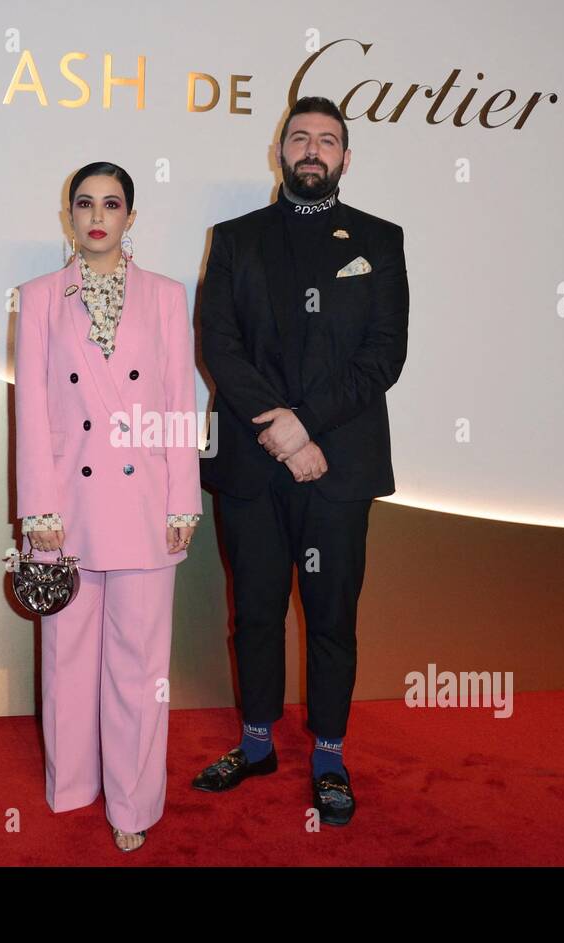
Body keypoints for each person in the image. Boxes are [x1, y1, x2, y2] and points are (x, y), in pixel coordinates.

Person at [193, 96, 409, 825]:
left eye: (327, 140)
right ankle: (256, 744)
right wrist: (278, 432)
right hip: (253, 467)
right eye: (299, 138)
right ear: (278, 152)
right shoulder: (233, 238)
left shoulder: (380, 240)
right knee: (252, 610)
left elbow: (385, 357)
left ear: (346, 158)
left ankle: (328, 754)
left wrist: (306, 426)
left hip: (338, 466)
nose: (311, 149)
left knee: (330, 616)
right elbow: (218, 343)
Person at [13, 162, 202, 852]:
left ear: (131, 216)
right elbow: (31, 408)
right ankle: (72, 786)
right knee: (67, 651)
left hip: (146, 501)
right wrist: (37, 506)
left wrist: (185, 497)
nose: (98, 215)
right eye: (84, 203)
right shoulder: (38, 297)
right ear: (68, 216)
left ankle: (132, 802)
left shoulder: (164, 296)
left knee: (140, 663)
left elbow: (181, 401)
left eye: (112, 203)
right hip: (65, 503)